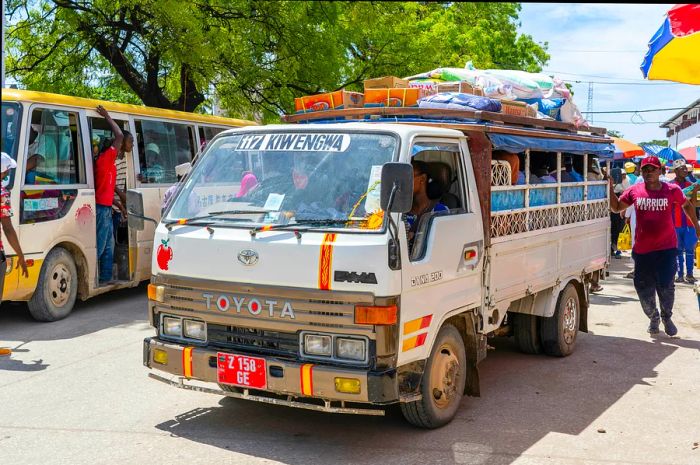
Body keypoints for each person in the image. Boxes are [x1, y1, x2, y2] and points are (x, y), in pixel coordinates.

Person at [609, 156, 700, 336]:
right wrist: (610, 188)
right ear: (641, 172)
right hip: (642, 251)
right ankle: (653, 317)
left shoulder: (671, 190)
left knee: (666, 286)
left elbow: (688, 206)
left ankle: (667, 317)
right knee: (643, 288)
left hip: (666, 249)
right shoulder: (635, 190)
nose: (649, 172)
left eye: (652, 169)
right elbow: (617, 207)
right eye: (645, 169)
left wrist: (697, 227)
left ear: (660, 171)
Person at [0, 152, 28, 357]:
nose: (8, 171)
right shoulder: (2, 192)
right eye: (7, 169)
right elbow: (8, 228)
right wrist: (20, 255)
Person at [94, 105, 124, 286]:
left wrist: (119, 206)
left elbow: (107, 190)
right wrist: (107, 117)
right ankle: (96, 277)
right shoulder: (105, 160)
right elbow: (119, 136)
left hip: (106, 207)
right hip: (101, 209)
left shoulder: (109, 165)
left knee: (108, 245)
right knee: (101, 243)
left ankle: (105, 278)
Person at [404, 160, 448, 251]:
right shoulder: (398, 212)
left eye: (407, 177)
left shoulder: (440, 212)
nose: (403, 182)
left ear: (422, 179)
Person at [670, 158, 699, 283]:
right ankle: (679, 274)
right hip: (674, 223)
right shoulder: (670, 186)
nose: (685, 170)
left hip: (689, 223)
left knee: (689, 249)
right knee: (678, 250)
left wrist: (695, 192)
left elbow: (694, 204)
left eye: (686, 168)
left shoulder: (691, 185)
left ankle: (690, 274)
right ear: (676, 171)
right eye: (682, 168)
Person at [112, 131, 133, 243]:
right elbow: (109, 182)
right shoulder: (114, 159)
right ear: (122, 142)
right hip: (112, 204)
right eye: (130, 141)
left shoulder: (126, 157)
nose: (132, 145)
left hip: (118, 204)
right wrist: (122, 195)